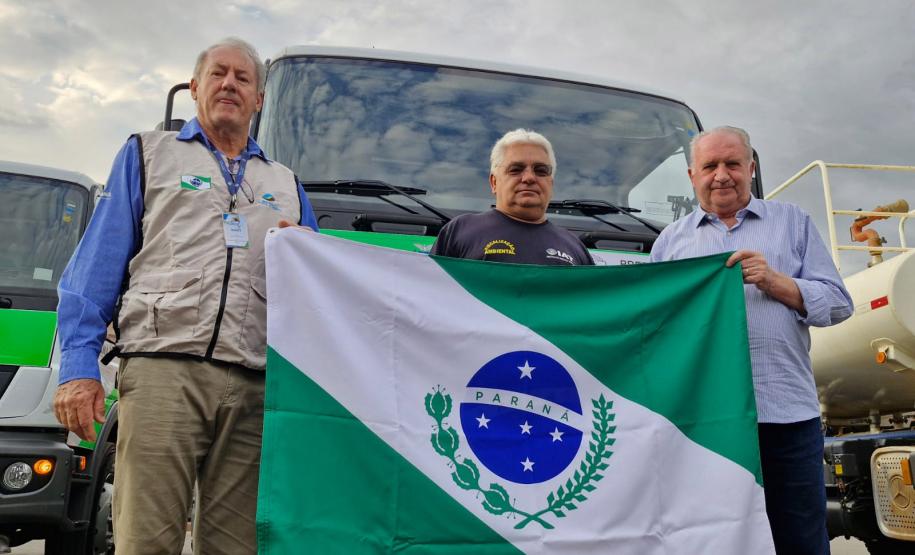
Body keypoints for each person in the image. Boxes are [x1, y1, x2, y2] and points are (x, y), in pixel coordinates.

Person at [53, 37, 318, 555]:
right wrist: (79, 367)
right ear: (194, 88)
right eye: (218, 74)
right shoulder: (147, 153)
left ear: (259, 100)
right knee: (145, 540)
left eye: (244, 79)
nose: (229, 85)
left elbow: (316, 294)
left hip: (254, 388)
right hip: (162, 372)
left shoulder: (286, 183)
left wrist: (311, 253)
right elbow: (96, 266)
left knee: (237, 547)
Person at [650, 126, 853, 554]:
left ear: (751, 168)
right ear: (692, 175)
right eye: (710, 166)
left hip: (785, 416)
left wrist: (779, 283)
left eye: (732, 164)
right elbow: (657, 327)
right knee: (713, 536)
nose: (721, 175)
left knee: (799, 535)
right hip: (705, 421)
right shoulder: (670, 243)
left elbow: (839, 304)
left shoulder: (792, 222)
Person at [431, 128, 594, 266]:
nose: (529, 178)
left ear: (550, 183)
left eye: (541, 170)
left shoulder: (575, 248)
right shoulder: (459, 231)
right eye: (516, 169)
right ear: (494, 182)